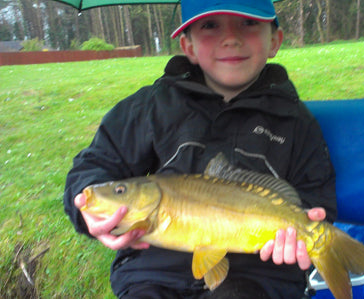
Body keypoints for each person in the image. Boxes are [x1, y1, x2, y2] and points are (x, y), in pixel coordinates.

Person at [63, 0, 337, 298]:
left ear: (275, 41)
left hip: (259, 274)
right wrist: (88, 203)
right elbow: (95, 164)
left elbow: (314, 196)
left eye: (248, 23)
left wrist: (305, 231)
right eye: (210, 25)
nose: (230, 38)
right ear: (188, 46)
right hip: (152, 274)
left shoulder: (295, 122)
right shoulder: (152, 107)